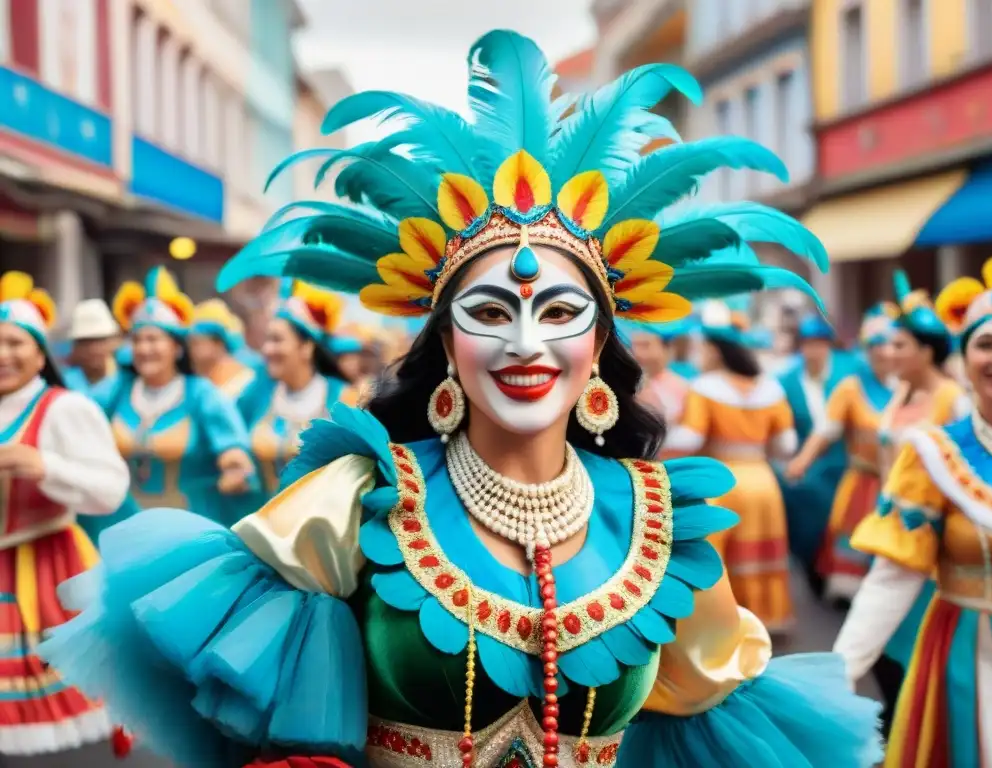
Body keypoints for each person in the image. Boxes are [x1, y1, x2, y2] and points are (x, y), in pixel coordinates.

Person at [42, 31, 880, 768]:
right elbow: (266, 723)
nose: (525, 344)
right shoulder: (354, 501)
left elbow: (714, 727)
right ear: (445, 345)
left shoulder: (661, 522)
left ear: (599, 349)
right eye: (488, 313)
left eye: (558, 313)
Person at [834, 255, 992, 765]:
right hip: (970, 656)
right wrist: (839, 670)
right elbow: (892, 577)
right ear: (965, 356)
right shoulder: (936, 455)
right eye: (985, 343)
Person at [0, 272, 130, 755]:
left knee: (52, 725)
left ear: (40, 352)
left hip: (45, 567)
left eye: (15, 343)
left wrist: (43, 465)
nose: (3, 355)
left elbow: (110, 490)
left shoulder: (62, 408)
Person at [860, 271, 971, 738]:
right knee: (879, 633)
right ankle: (897, 711)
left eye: (900, 345)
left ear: (927, 350)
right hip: (888, 524)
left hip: (929, 538)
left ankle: (923, 719)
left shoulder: (954, 400)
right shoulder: (900, 392)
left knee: (915, 633)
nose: (888, 353)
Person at [671, 301, 798, 633]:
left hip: (721, 480)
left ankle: (721, 621)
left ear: (715, 350)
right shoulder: (770, 388)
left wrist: (662, 433)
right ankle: (765, 618)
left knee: (717, 552)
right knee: (760, 553)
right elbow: (787, 445)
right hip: (762, 481)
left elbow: (688, 439)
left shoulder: (704, 388)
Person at [98, 267, 259, 526]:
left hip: (188, 531)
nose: (143, 348)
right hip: (124, 529)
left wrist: (235, 468)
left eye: (153, 339)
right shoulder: (116, 391)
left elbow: (234, 451)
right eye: (137, 340)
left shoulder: (202, 395)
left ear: (176, 346)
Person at [785, 302, 898, 603]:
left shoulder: (912, 387)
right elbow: (826, 429)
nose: (885, 353)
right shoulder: (851, 387)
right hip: (863, 482)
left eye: (894, 345)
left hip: (904, 487)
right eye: (876, 345)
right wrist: (801, 461)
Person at [238, 279, 348, 498]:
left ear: (306, 347)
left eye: (277, 340)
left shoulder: (345, 399)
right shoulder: (255, 396)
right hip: (260, 525)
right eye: (267, 340)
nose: (267, 349)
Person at [777, 313, 856, 594]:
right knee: (810, 522)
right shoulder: (786, 380)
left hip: (846, 460)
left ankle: (842, 576)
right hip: (808, 467)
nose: (814, 351)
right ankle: (813, 567)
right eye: (808, 344)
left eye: (820, 344)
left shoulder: (851, 371)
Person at [188, 298, 256, 399]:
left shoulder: (244, 384)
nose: (190, 350)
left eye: (196, 343)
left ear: (218, 344)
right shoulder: (198, 386)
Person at [629, 323, 690, 432]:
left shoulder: (684, 389)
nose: (637, 353)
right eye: (634, 346)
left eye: (645, 345)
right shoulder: (622, 384)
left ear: (667, 349)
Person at [62, 298, 121, 396]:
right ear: (75, 347)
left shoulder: (126, 382)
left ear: (113, 342)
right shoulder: (64, 384)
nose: (93, 349)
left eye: (99, 340)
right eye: (85, 342)